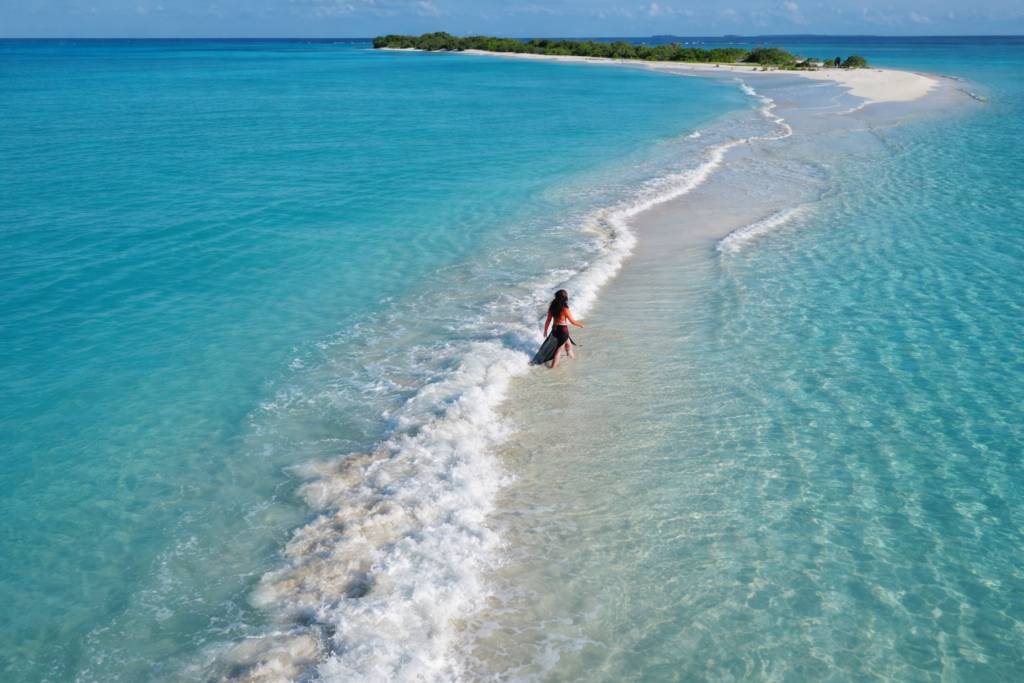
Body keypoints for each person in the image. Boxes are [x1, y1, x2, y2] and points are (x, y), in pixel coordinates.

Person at [532, 289, 585, 369]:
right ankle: (553, 367)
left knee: (568, 344)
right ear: (565, 298)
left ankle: (571, 356)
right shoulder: (565, 309)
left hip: (555, 329)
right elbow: (572, 321)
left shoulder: (552, 307)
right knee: (559, 350)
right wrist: (580, 324)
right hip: (563, 330)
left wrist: (546, 330)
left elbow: (548, 320)